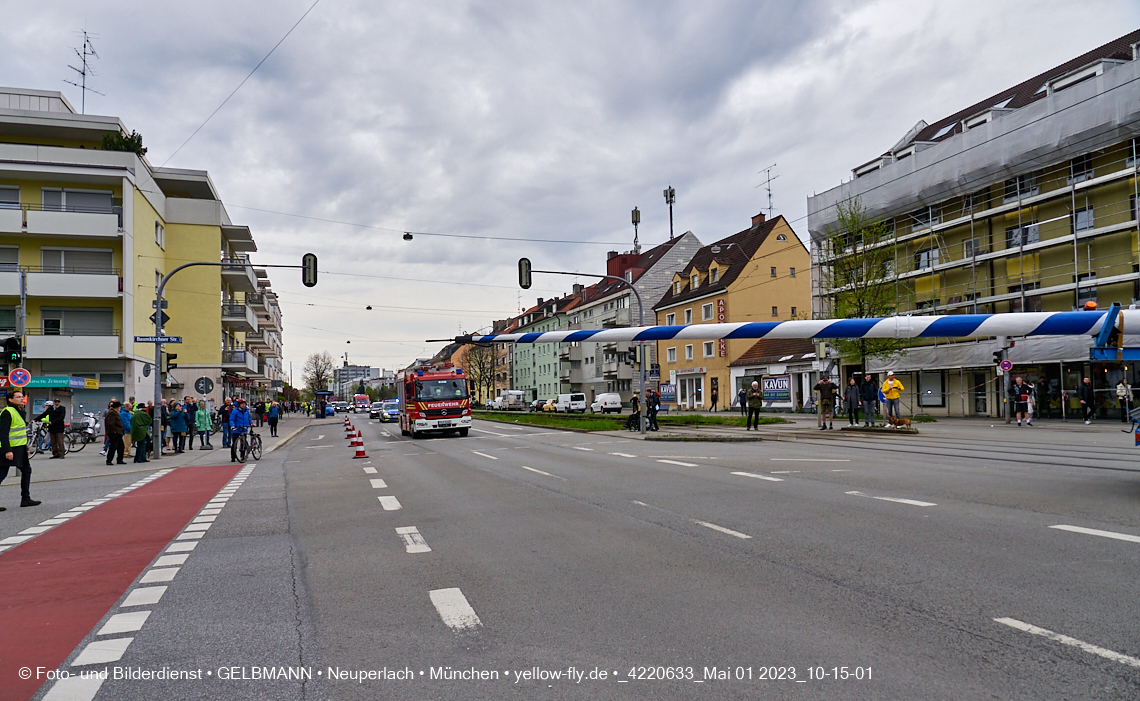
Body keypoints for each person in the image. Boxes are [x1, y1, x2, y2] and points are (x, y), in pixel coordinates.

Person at [0, 390, 40, 508]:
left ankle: (26, 499)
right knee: (2, 474)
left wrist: (26, 448)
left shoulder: (19, 411)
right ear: (10, 400)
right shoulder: (7, 412)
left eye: (22, 397)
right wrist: (7, 450)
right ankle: (26, 498)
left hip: (20, 448)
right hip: (9, 449)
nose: (21, 399)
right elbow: (3, 433)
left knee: (27, 471)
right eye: (18, 397)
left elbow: (20, 433)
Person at [104, 400, 126, 465]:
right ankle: (109, 460)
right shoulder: (112, 413)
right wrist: (114, 431)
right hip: (115, 433)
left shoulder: (114, 412)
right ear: (117, 407)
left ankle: (119, 459)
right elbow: (111, 423)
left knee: (120, 446)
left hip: (118, 433)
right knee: (113, 447)